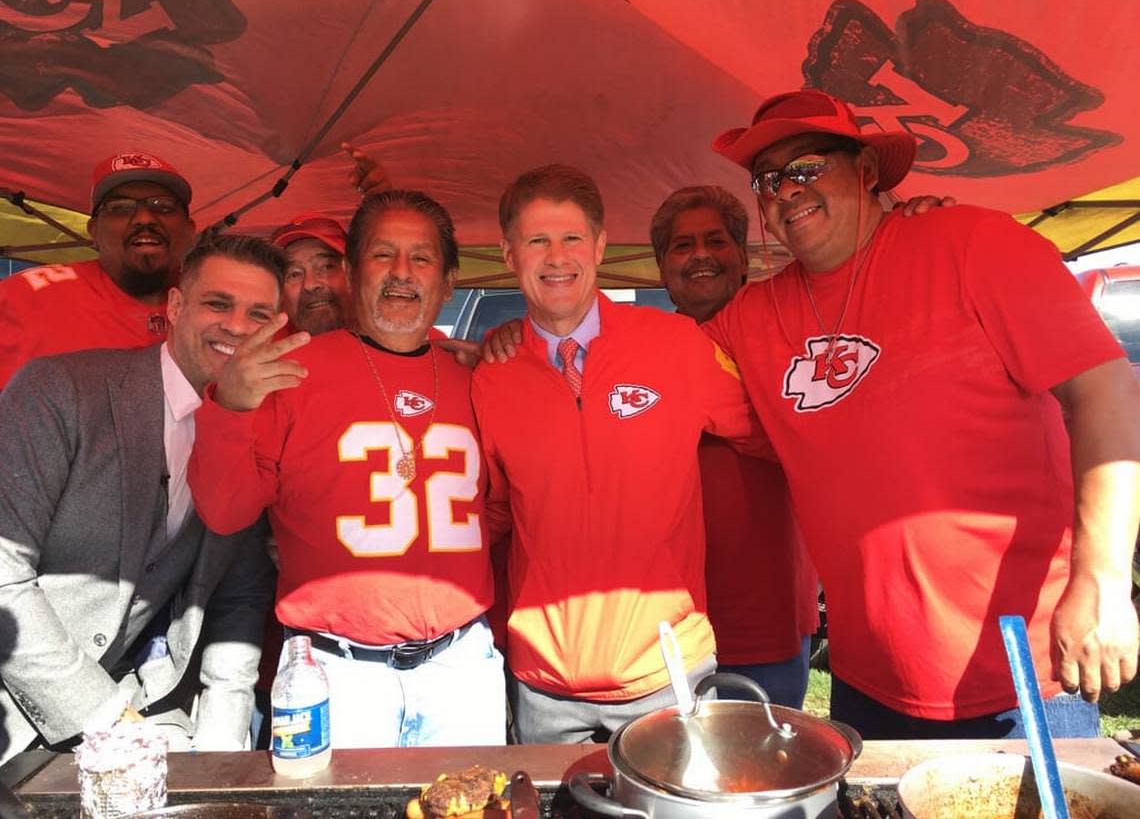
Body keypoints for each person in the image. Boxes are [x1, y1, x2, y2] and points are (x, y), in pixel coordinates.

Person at [703, 88, 1140, 738]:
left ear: (867, 171)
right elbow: (643, 367)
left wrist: (1104, 581)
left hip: (1023, 679)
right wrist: (507, 346)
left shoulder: (975, 244)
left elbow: (1105, 390)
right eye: (768, 180)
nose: (785, 191)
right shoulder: (751, 319)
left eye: (806, 167)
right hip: (865, 677)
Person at [188, 190, 505, 749]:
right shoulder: (289, 373)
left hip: (461, 666)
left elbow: (502, 503)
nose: (401, 273)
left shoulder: (475, 374)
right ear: (354, 271)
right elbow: (225, 510)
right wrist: (231, 408)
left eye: (422, 258)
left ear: (449, 281)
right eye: (383, 255)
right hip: (334, 671)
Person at [472, 164, 767, 744]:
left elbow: (783, 436)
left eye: (572, 238)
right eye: (537, 241)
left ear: (601, 246)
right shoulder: (492, 377)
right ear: (509, 254)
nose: (557, 257)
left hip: (665, 671)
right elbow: (492, 514)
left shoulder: (679, 347)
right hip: (543, 682)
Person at [0, 232, 280, 763]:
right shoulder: (57, 390)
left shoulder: (255, 428)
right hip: (17, 712)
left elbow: (238, 595)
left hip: (155, 711)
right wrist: (106, 718)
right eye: (218, 303)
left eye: (259, 315)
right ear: (175, 306)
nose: (238, 327)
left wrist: (221, 749)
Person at [650, 186, 819, 708]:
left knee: (766, 772)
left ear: (742, 258)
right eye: (682, 245)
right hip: (666, 614)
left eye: (715, 241)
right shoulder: (640, 348)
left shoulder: (789, 327)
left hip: (764, 606)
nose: (700, 254)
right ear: (662, 268)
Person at [0, 152, 196, 388]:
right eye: (119, 207)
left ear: (189, 230)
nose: (144, 218)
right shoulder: (22, 297)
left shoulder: (227, 309)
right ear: (94, 230)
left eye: (163, 206)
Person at [270, 213, 353, 335]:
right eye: (294, 274)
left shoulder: (388, 341)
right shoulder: (266, 349)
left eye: (326, 266)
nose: (310, 285)